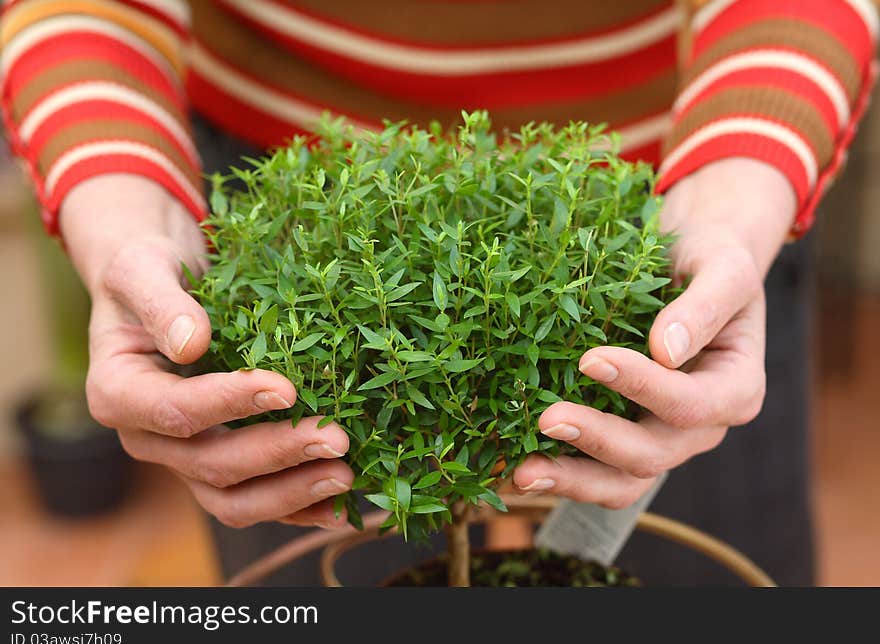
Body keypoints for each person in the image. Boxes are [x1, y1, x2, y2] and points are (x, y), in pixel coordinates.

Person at [2, 0, 876, 585]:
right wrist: (124, 203)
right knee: (312, 516)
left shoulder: (682, 231)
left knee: (701, 578)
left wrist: (741, 187)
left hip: (670, 222)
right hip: (282, 230)